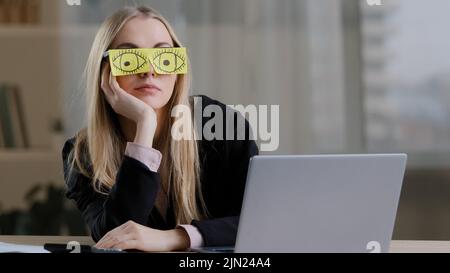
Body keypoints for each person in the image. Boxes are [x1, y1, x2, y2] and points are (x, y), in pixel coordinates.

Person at [62, 5, 258, 252]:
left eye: (164, 57)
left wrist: (175, 238)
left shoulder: (218, 124)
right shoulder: (82, 154)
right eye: (129, 60)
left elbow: (257, 221)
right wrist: (145, 124)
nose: (149, 71)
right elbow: (115, 236)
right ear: (105, 73)